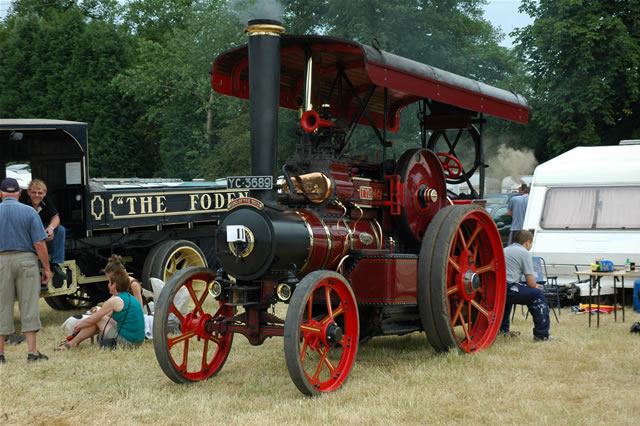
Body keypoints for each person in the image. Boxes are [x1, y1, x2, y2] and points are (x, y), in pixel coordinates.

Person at [0, 177, 51, 363]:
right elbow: (39, 244)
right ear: (20, 193)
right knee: (29, 305)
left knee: (2, 306)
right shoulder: (29, 212)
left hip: (1, 261)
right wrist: (46, 268)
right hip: (26, 260)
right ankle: (32, 352)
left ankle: (0, 354)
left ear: (0, 193)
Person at [55, 268, 145, 350]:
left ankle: (72, 343)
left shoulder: (115, 301)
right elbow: (106, 317)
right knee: (100, 319)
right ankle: (73, 343)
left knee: (98, 318)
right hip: (138, 342)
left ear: (114, 285)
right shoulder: (130, 298)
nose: (108, 285)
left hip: (128, 344)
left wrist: (78, 326)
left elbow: (92, 319)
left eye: (109, 282)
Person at [499, 230, 551, 341]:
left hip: (497, 288)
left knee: (508, 299)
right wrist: (535, 286)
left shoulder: (504, 250)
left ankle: (503, 330)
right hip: (508, 288)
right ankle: (542, 335)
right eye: (531, 243)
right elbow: (531, 283)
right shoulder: (524, 253)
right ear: (527, 243)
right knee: (537, 294)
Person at [19, 179, 66, 284]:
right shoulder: (22, 201)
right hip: (25, 228)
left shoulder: (47, 200)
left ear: (44, 193)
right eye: (34, 192)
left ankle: (55, 263)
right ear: (28, 192)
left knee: (60, 230)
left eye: (40, 193)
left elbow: (56, 218)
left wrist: (50, 228)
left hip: (42, 227)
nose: (37, 195)